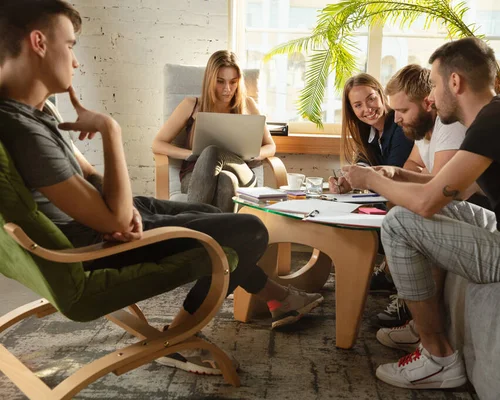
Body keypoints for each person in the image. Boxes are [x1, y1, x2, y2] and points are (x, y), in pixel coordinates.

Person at [0, 0, 322, 377]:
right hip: (97, 247)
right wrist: (110, 131)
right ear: (39, 42)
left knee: (216, 217)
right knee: (249, 231)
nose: (75, 61)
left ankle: (275, 297)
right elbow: (114, 216)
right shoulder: (23, 129)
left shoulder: (36, 111)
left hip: (103, 224)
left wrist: (125, 211)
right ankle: (176, 339)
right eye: (70, 46)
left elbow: (89, 175)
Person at [342, 37, 500, 389]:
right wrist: (399, 173)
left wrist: (369, 178)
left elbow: (428, 201)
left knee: (398, 223)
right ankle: (419, 331)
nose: (431, 95)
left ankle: (438, 358)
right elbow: (456, 188)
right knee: (429, 214)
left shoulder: (494, 122)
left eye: (435, 83)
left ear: (454, 82)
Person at [371, 64, 470, 329]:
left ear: (428, 103)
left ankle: (414, 313)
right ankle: (399, 283)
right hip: (449, 205)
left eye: (403, 111)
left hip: (467, 212)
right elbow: (411, 169)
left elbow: (437, 191)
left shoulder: (449, 126)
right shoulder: (422, 131)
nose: (396, 119)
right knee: (401, 200)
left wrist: (376, 179)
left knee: (419, 213)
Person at [152, 50, 276, 212]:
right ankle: (220, 237)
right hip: (196, 175)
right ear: (210, 80)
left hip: (241, 171)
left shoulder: (248, 105)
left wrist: (253, 154)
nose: (227, 89)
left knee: (214, 152)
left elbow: (271, 146)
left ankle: (189, 224)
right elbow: (157, 144)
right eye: (220, 81)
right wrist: (192, 154)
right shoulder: (192, 105)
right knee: (225, 180)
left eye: (233, 82)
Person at [328, 73, 414, 194]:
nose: (368, 109)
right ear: (352, 110)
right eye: (358, 105)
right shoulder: (366, 130)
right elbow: (363, 162)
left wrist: (362, 178)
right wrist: (349, 182)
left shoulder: (400, 127)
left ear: (381, 94)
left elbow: (393, 176)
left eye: (371, 99)